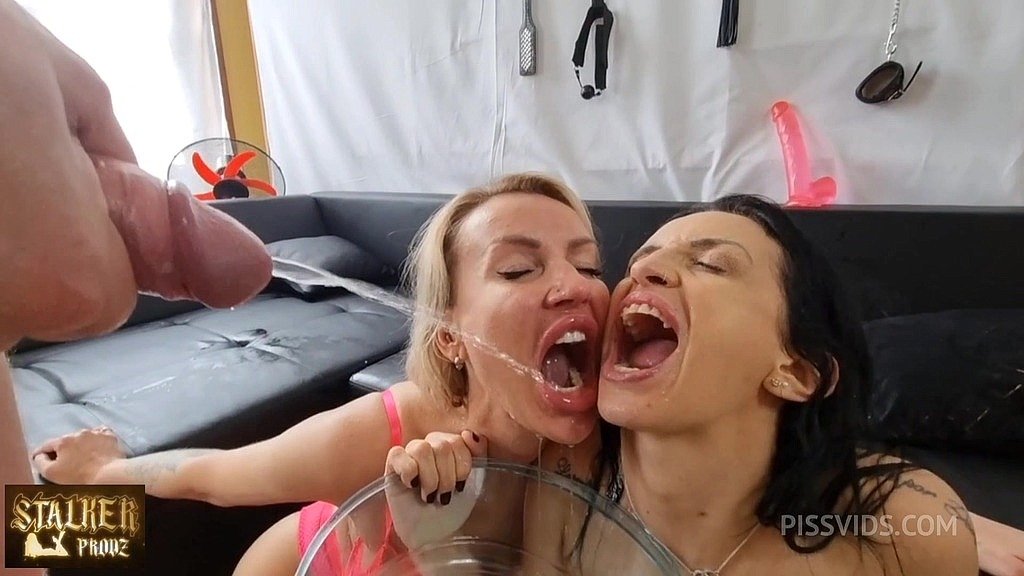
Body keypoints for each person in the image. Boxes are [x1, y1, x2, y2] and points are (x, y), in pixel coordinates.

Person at [390, 195, 983, 575]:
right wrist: (440, 554)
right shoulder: (570, 482)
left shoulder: (898, 530)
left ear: (796, 371)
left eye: (711, 264)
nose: (641, 271)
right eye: (636, 262)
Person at [0, 1, 270, 574]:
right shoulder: (398, 424)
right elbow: (215, 479)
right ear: (446, 339)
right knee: (106, 531)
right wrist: (105, 475)